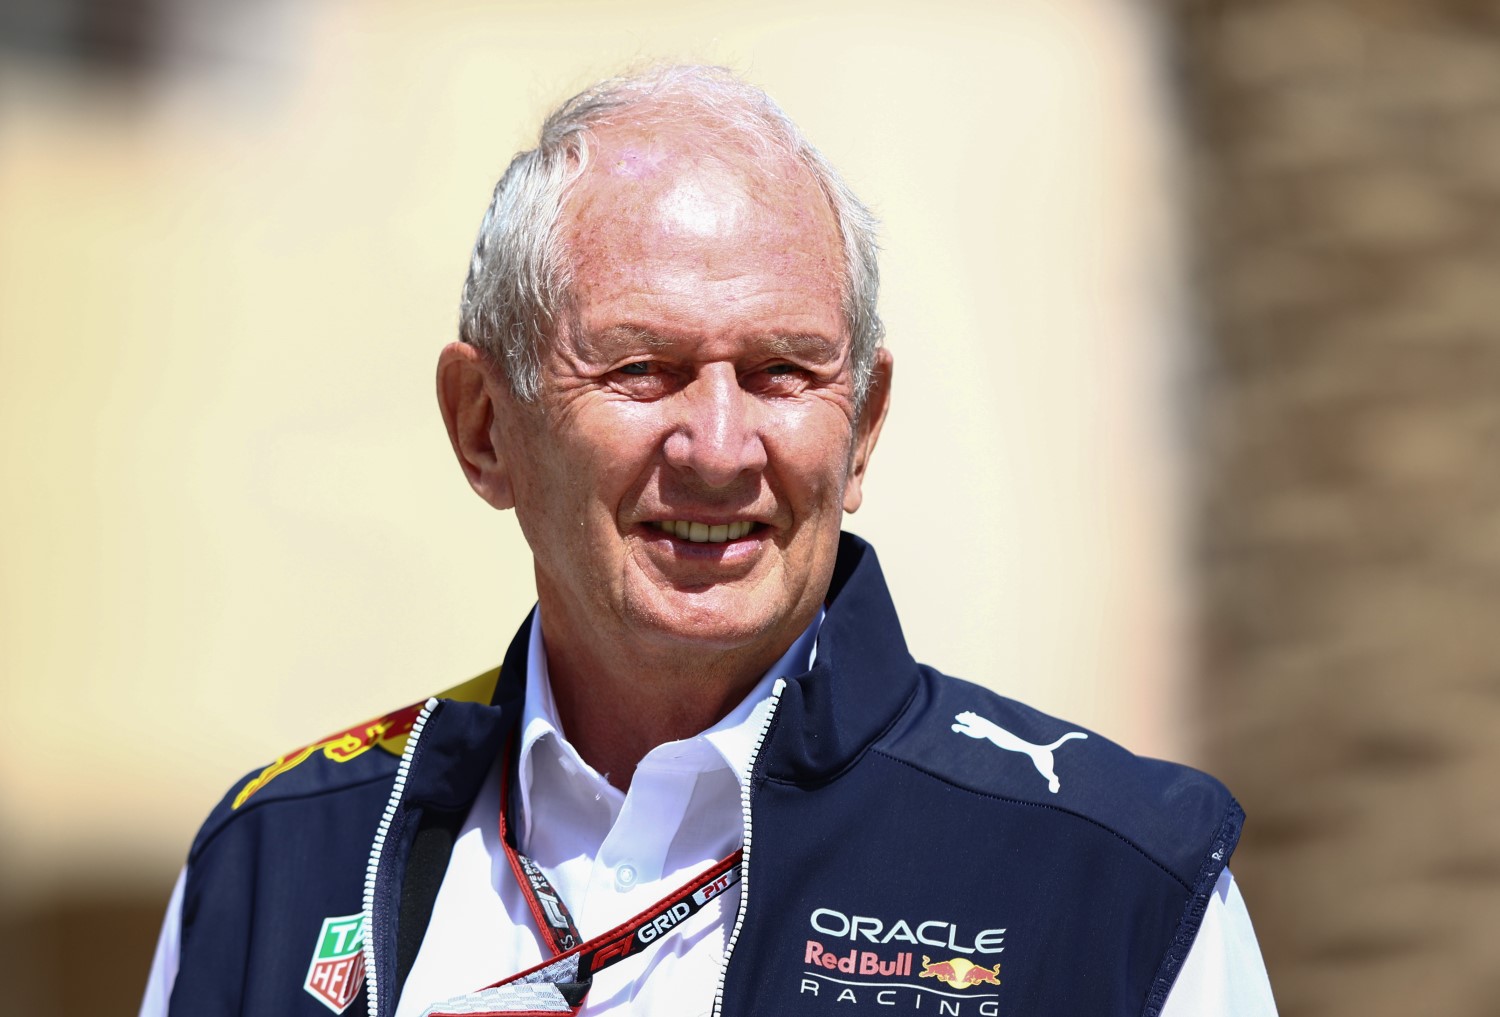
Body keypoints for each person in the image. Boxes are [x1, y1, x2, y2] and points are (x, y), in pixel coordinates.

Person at [140, 65, 1277, 1017]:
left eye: (785, 370)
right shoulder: (282, 859)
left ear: (865, 425)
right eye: (642, 368)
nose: (722, 447)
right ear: (486, 429)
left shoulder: (1116, 877)